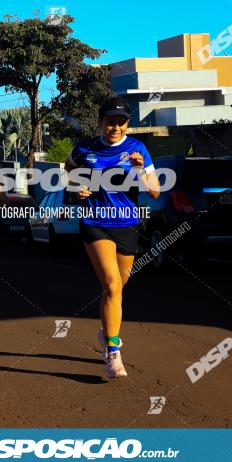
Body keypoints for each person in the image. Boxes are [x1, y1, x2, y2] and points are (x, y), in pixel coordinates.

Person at [65, 98, 160, 379]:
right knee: (111, 285)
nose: (115, 127)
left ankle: (108, 329)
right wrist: (77, 186)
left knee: (119, 288)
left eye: (121, 122)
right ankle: (113, 351)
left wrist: (141, 168)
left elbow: (155, 191)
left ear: (127, 124)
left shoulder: (138, 149)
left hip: (127, 224)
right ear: (100, 122)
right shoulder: (85, 148)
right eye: (110, 122)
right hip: (95, 222)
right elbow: (69, 169)